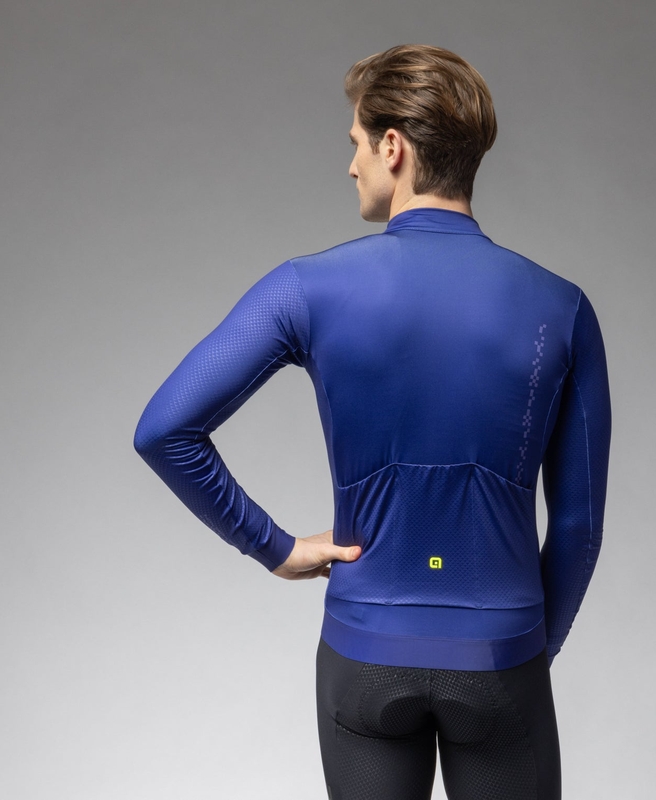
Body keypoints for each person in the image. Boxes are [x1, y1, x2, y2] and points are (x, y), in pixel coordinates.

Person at [134, 44, 611, 800]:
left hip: (365, 654)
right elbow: (579, 529)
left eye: (356, 143)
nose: (351, 165)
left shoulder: (304, 288)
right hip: (502, 656)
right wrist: (522, 659)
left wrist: (274, 547)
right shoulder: (563, 307)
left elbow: (164, 430)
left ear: (394, 148)